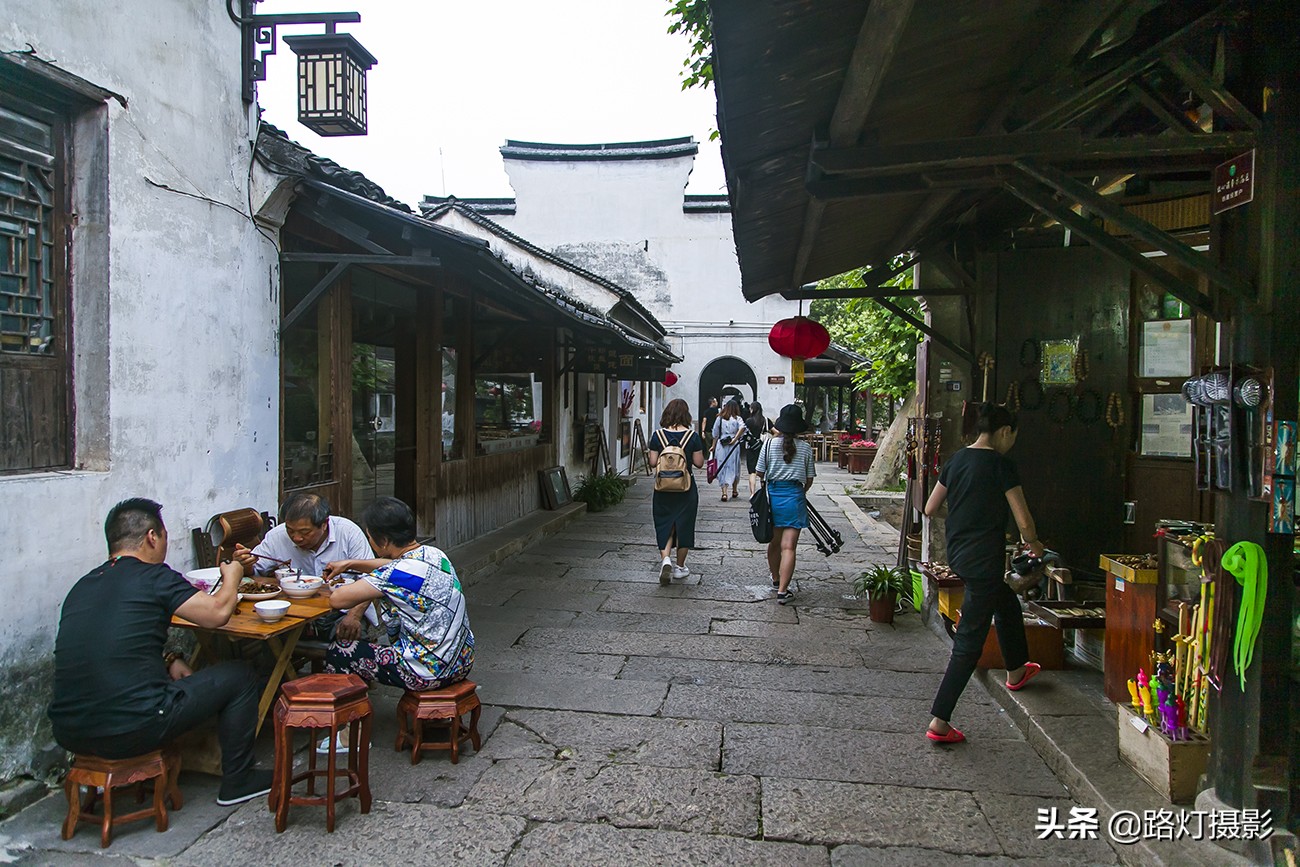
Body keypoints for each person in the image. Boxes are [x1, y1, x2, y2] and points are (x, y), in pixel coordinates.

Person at [49, 498, 273, 806]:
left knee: (180, 680)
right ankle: (239, 780)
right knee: (241, 674)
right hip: (138, 725)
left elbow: (120, 644)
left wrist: (168, 659)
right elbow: (218, 613)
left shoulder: (83, 586)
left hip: (69, 732)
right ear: (152, 537)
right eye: (165, 537)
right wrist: (233, 576)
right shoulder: (155, 576)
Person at [924, 403, 1045, 744]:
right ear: (1005, 432)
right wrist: (1033, 543)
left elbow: (932, 508)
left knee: (1005, 601)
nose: (1012, 443)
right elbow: (1022, 518)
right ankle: (940, 721)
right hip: (983, 560)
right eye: (1013, 437)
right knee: (969, 644)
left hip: (959, 553)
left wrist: (965, 515)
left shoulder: (957, 459)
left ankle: (1017, 667)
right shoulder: (1002, 464)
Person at [233, 492, 373, 640]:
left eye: (305, 532)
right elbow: (254, 571)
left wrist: (354, 615)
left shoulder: (348, 532)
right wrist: (244, 564)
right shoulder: (277, 536)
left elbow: (373, 579)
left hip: (343, 610)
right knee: (269, 637)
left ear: (324, 524)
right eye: (290, 530)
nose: (296, 538)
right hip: (293, 611)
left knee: (349, 643)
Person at [756, 405, 816, 605]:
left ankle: (775, 579)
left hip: (772, 498)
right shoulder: (806, 448)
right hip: (794, 497)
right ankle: (783, 591)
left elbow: (759, 473)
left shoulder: (768, 445)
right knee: (788, 547)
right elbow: (809, 479)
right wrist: (799, 492)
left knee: (774, 544)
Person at [648, 398, 707, 585]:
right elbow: (699, 463)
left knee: (664, 523)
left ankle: (665, 558)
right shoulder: (693, 436)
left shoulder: (657, 436)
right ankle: (680, 567)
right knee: (684, 525)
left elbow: (651, 463)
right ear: (686, 415)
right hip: (686, 489)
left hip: (663, 489)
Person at [711, 399, 745, 501]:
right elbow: (743, 428)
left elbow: (715, 434)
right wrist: (735, 439)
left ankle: (724, 492)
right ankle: (734, 490)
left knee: (722, 467)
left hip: (721, 445)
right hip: (733, 446)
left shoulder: (720, 418)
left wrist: (713, 446)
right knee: (734, 466)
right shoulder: (737, 418)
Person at [743, 401, 774, 498]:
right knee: (763, 471)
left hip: (751, 449)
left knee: (752, 472)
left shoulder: (748, 421)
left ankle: (752, 493)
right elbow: (776, 432)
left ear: (752, 409)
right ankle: (764, 493)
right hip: (763, 448)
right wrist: (771, 441)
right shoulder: (766, 420)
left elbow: (743, 433)